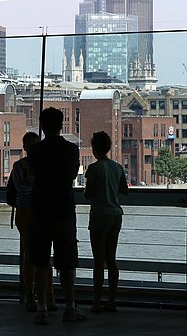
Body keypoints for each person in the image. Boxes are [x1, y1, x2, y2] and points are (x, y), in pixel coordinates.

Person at [28, 107, 86, 324]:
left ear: (42, 126)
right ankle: (70, 307)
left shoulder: (35, 150)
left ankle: (42, 308)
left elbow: (33, 173)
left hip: (39, 208)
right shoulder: (71, 150)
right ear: (62, 125)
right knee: (67, 261)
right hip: (63, 208)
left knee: (40, 259)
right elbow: (72, 175)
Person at [9, 131, 56, 312]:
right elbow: (23, 188)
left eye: (35, 143)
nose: (32, 147)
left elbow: (28, 188)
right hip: (26, 212)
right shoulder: (19, 165)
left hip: (39, 210)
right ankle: (31, 295)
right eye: (29, 144)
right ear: (24, 147)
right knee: (30, 255)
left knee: (44, 256)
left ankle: (48, 295)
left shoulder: (35, 166)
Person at [83, 131, 129, 313]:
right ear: (109, 148)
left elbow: (88, 194)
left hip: (100, 215)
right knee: (111, 259)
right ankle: (112, 300)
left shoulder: (93, 169)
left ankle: (96, 301)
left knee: (98, 260)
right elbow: (124, 190)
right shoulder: (117, 167)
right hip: (116, 214)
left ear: (94, 148)